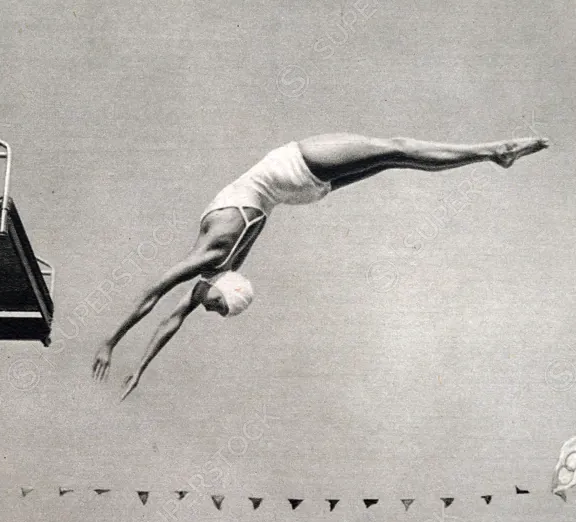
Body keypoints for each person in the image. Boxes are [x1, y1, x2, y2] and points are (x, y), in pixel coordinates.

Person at [92, 133, 549, 398]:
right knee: (394, 157)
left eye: (215, 309)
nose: (207, 310)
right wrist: (143, 367)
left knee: (396, 150)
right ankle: (490, 154)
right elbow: (175, 318)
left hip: (293, 169)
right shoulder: (221, 267)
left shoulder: (216, 252)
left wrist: (111, 344)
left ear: (226, 290)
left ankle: (492, 150)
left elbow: (155, 295)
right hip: (291, 190)